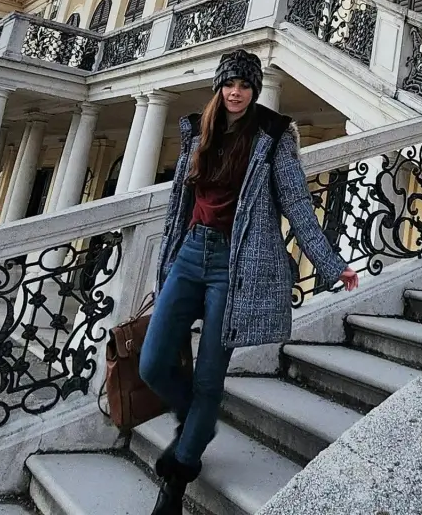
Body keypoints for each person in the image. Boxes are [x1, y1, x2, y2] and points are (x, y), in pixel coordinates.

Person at [138, 50, 359, 514]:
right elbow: (180, 201)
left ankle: (176, 479)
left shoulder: (272, 136)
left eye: (244, 85)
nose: (235, 92)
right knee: (152, 363)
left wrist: (329, 262)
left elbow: (296, 203)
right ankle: (198, 422)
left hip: (234, 267)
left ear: (255, 90)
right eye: (229, 84)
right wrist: (170, 255)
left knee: (209, 377)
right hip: (190, 254)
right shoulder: (197, 130)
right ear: (219, 87)